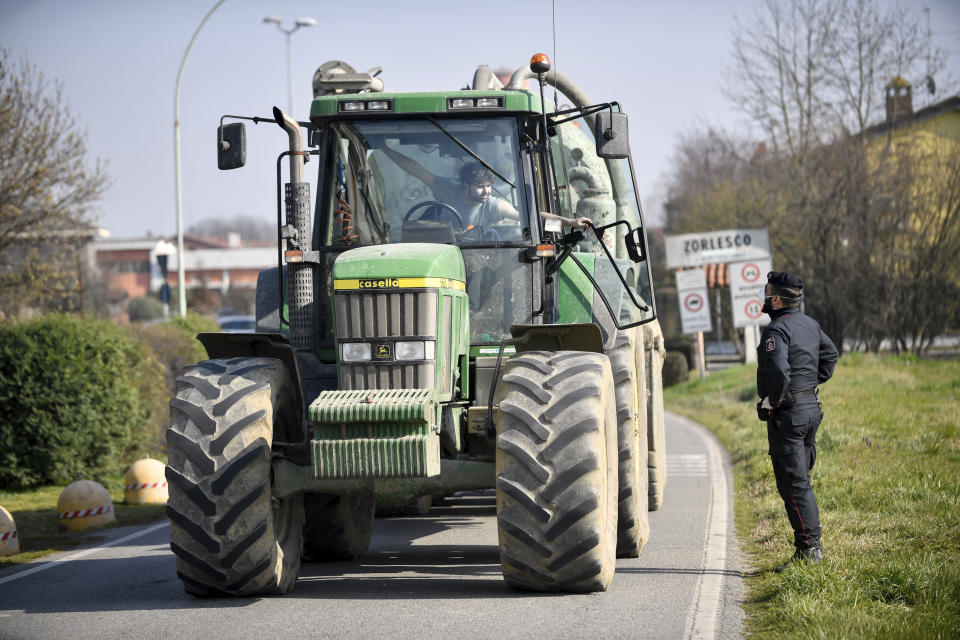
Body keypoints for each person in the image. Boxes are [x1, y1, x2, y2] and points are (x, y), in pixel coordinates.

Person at [755, 271, 839, 571]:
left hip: (789, 415)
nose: (763, 297)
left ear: (777, 299)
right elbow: (831, 356)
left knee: (794, 484)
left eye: (766, 292)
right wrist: (807, 384)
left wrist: (774, 400)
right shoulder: (810, 325)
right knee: (801, 482)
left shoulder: (776, 331)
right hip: (810, 409)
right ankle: (809, 547)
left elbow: (777, 373)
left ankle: (809, 550)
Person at [381, 147, 591, 234]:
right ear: (465, 187)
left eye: (489, 186)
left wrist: (569, 223)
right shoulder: (447, 188)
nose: (486, 191)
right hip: (443, 250)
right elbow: (416, 170)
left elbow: (530, 218)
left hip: (477, 258)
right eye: (481, 187)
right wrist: (383, 148)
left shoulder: (493, 206)